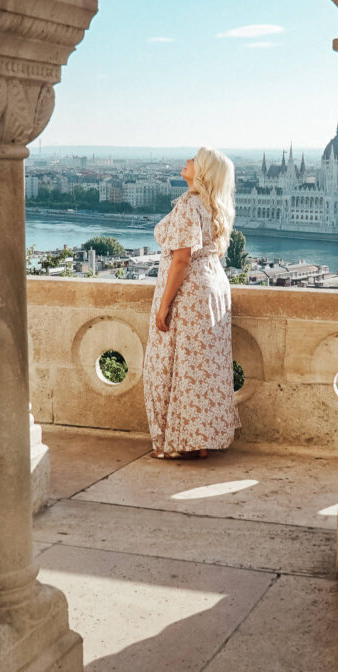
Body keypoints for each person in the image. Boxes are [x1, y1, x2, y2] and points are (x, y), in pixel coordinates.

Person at [143, 146, 241, 459]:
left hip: (190, 293)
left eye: (193, 160)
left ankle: (177, 443)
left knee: (174, 366)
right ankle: (200, 442)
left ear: (202, 172)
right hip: (215, 290)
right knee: (204, 369)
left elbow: (181, 260)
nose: (187, 161)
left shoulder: (188, 204)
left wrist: (164, 304)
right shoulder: (216, 206)